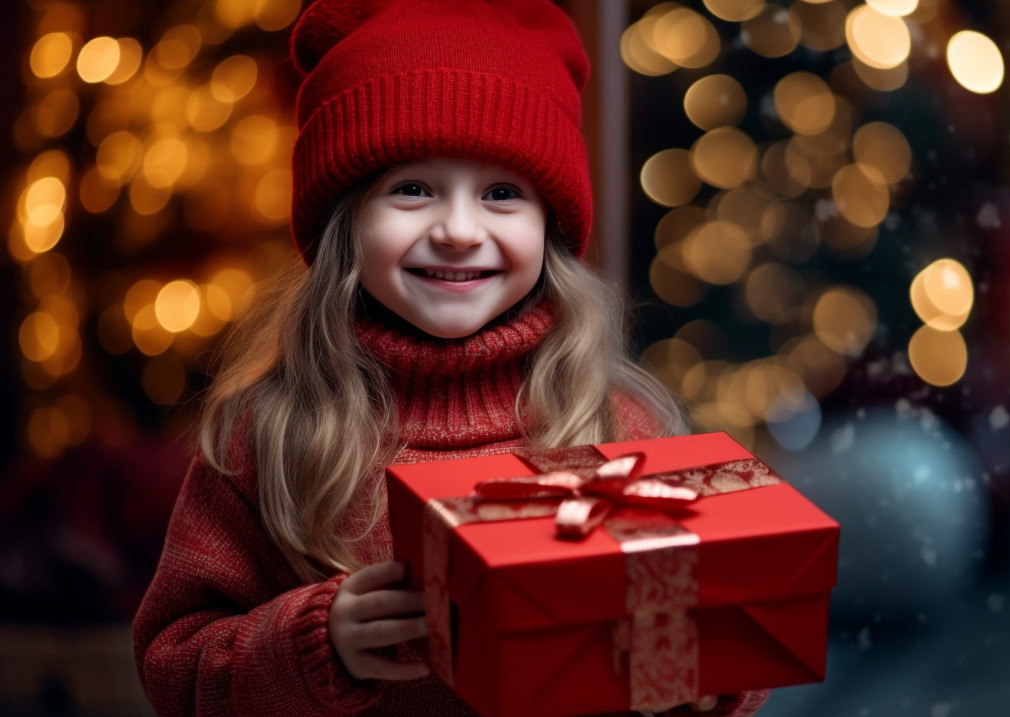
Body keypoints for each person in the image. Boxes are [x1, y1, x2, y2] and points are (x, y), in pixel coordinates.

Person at [132, 1, 769, 715]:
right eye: (412, 189)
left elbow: (716, 637)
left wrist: (711, 679)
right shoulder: (270, 432)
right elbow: (173, 666)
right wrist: (313, 641)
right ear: (344, 222)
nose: (460, 230)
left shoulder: (618, 422)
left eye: (502, 193)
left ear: (550, 227)